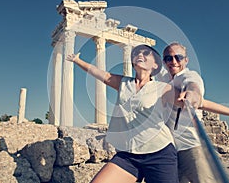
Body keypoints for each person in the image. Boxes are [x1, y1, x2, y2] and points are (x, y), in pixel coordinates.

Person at [67, 44, 182, 183]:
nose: (140, 54)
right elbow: (98, 73)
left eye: (146, 53)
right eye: (137, 53)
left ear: (156, 65)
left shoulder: (162, 88)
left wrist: (196, 96)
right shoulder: (123, 83)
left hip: (160, 152)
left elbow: (195, 102)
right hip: (129, 154)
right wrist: (77, 60)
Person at [157, 42, 229, 183]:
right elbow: (150, 66)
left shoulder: (188, 76)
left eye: (178, 57)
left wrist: (193, 93)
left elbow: (194, 86)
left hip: (192, 149)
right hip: (170, 151)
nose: (173, 61)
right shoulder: (165, 78)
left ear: (186, 60)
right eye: (168, 58)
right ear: (164, 61)